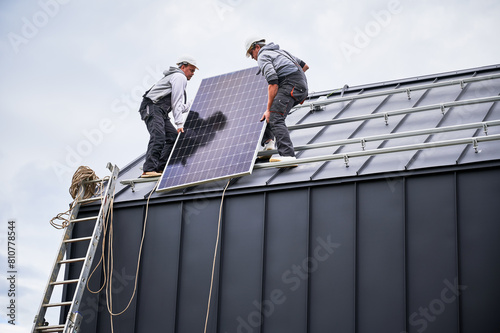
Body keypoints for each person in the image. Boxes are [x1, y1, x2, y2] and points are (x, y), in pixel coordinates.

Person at [245, 37, 309, 165]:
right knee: (275, 107)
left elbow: (273, 83)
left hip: (291, 84)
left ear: (257, 47)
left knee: (274, 116)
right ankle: (269, 143)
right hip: (300, 85)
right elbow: (305, 66)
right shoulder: (281, 52)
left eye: (251, 54)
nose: (252, 57)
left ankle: (288, 156)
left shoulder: (263, 56)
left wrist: (268, 110)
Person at [138, 56, 198, 178]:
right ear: (183, 67)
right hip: (153, 107)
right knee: (158, 136)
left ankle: (160, 168)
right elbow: (176, 102)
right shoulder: (179, 77)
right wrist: (179, 124)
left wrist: (193, 101)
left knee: (172, 137)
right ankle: (149, 169)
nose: (192, 74)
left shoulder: (176, 78)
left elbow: (179, 107)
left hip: (161, 112)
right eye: (191, 70)